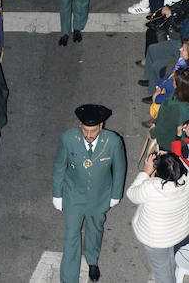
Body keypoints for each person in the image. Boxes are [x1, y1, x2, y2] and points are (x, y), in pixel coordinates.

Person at [52, 104, 126, 283]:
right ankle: (69, 279)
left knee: (95, 229)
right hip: (73, 195)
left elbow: (120, 169)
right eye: (85, 130)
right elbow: (59, 166)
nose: (89, 135)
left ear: (101, 126)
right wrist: (57, 194)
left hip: (99, 196)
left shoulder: (113, 141)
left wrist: (116, 194)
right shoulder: (69, 138)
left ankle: (92, 260)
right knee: (71, 235)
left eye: (93, 131)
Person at [127, 150, 189, 283]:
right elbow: (184, 165)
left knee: (162, 271)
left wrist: (145, 172)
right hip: (177, 232)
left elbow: (132, 194)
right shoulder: (187, 179)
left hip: (156, 239)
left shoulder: (152, 187)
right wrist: (171, 159)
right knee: (169, 259)